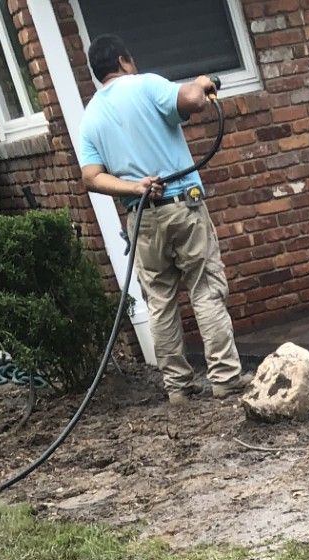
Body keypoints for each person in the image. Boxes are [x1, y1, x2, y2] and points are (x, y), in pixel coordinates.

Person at [76, 35, 244, 404]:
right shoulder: (147, 84)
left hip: (140, 218)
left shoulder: (90, 116)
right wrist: (202, 82)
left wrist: (134, 188)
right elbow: (193, 101)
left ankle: (179, 389)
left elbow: (90, 177)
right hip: (183, 206)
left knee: (160, 302)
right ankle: (226, 380)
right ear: (123, 61)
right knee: (205, 290)